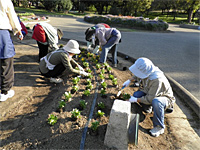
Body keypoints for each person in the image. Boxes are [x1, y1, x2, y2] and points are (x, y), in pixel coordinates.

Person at [122, 57, 175, 137]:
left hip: (164, 97)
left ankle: (159, 127)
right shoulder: (147, 71)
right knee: (137, 95)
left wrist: (135, 100)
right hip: (150, 93)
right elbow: (138, 75)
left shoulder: (157, 80)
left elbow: (151, 98)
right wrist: (129, 80)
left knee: (156, 102)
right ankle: (147, 109)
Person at [0, 0, 23, 102]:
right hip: (2, 32)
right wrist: (18, 31)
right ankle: (5, 91)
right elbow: (12, 15)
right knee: (6, 62)